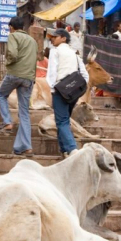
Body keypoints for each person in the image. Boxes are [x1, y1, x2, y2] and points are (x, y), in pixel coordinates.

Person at [0, 16, 37, 156]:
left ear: (11, 27)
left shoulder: (13, 36)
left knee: (1, 95)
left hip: (14, 74)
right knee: (24, 113)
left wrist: (8, 63)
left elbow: (12, 54)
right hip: (29, 78)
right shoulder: (32, 40)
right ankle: (26, 147)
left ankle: (7, 121)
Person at [46, 29, 89, 158]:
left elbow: (52, 71)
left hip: (60, 90)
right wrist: (78, 86)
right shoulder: (74, 53)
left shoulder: (55, 51)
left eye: (54, 37)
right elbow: (85, 74)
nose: (51, 39)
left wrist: (53, 88)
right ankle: (63, 149)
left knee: (62, 121)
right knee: (64, 119)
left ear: (63, 38)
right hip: (74, 92)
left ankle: (72, 148)